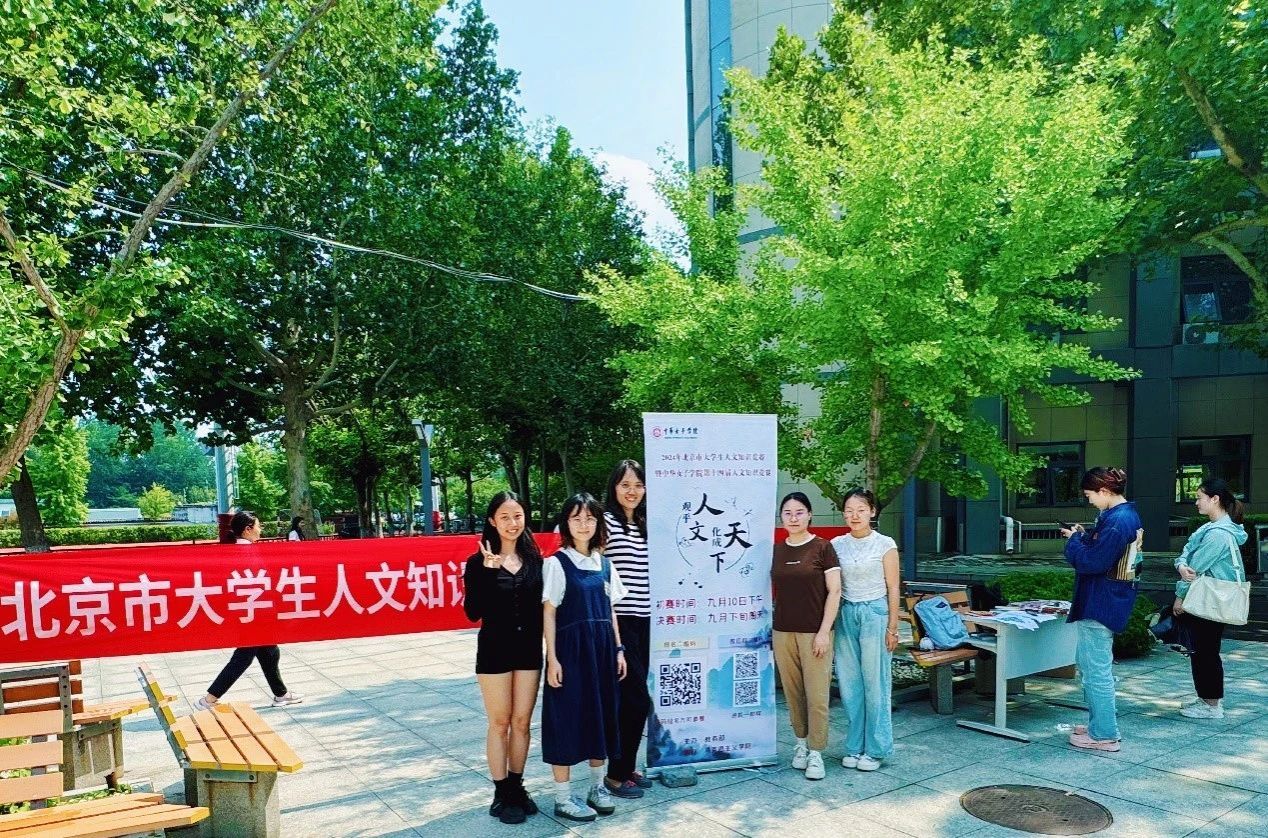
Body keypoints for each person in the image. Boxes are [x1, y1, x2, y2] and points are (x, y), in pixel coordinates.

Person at [541, 493, 627, 822]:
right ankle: (563, 797)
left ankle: (596, 787)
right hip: (571, 653)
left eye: (590, 518)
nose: (584, 524)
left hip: (603, 652)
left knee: (601, 716)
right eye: (576, 518)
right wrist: (553, 659)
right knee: (564, 719)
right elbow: (549, 613)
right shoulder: (556, 563)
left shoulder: (605, 564)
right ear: (566, 523)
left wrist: (618, 649)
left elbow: (611, 610)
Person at [463, 491, 544, 824]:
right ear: (492, 521)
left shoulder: (536, 561)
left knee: (522, 723)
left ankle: (516, 786)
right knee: (500, 723)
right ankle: (501, 793)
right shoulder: (477, 562)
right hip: (494, 650)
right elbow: (472, 612)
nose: (513, 523)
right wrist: (488, 571)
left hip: (528, 651)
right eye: (505, 517)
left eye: (518, 516)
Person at [1060, 466, 1143, 752]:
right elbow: (1103, 554)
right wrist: (1084, 537)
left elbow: (1092, 563)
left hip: (1100, 601)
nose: (1090, 500)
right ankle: (1099, 725)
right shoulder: (1123, 516)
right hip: (1109, 598)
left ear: (1104, 491)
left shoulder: (1117, 521)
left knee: (1096, 671)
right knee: (1092, 667)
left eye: (1090, 495)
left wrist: (1074, 541)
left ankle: (1104, 733)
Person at [196, 511, 303, 711]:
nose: (260, 530)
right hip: (253, 613)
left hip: (249, 611)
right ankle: (209, 699)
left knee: (269, 651)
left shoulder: (236, 550)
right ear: (247, 529)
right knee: (244, 657)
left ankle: (281, 694)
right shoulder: (247, 553)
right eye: (258, 526)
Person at [773, 492, 840, 780]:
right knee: (793, 693)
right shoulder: (777, 550)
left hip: (815, 632)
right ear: (781, 517)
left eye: (799, 512)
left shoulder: (822, 548)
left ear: (810, 515)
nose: (793, 518)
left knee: (817, 695)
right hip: (782, 631)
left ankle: (817, 752)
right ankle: (800, 744)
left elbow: (835, 591)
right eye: (787, 513)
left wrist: (824, 632)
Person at [831, 488, 899, 771]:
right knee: (849, 684)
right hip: (846, 613)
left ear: (872, 511)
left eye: (861, 509)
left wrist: (892, 627)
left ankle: (876, 749)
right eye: (849, 510)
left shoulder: (885, 544)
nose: (854, 515)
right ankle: (854, 746)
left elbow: (893, 586)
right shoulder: (836, 544)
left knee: (875, 683)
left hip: (875, 614)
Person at [1172, 477, 1248, 720]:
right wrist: (1181, 565)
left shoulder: (1217, 535)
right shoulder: (1214, 529)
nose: (1196, 502)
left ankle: (1212, 705)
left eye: (1199, 498)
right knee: (1203, 650)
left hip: (1210, 599)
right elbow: (1185, 559)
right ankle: (1206, 699)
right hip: (1210, 598)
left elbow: (1194, 567)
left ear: (1214, 499)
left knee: (1205, 652)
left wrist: (1180, 596)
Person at [602, 460, 653, 799]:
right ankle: (615, 775)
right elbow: (596, 569)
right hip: (619, 622)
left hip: (646, 621)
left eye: (637, 485)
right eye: (625, 485)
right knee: (635, 700)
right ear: (614, 488)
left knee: (631, 700)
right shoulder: (605, 522)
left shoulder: (644, 524)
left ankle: (627, 766)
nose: (632, 491)